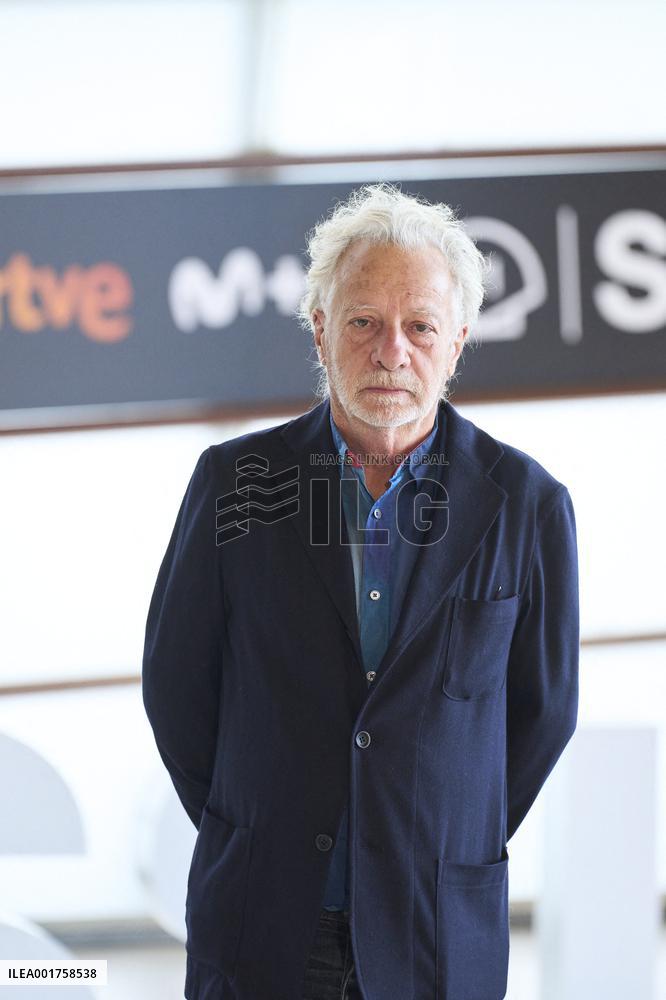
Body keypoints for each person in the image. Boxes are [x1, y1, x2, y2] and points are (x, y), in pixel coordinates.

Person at [142, 183, 580, 1000]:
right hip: (263, 918)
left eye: (421, 327)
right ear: (320, 329)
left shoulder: (528, 505)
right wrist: (255, 827)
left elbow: (543, 715)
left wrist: (437, 835)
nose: (391, 352)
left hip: (435, 930)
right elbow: (176, 689)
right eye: (363, 322)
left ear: (457, 342)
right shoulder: (236, 484)